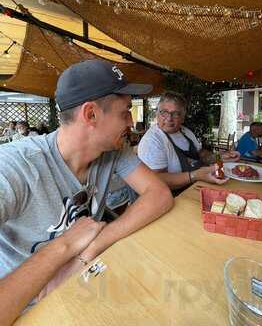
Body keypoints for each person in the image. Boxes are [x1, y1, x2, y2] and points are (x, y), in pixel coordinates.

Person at [0, 59, 173, 321]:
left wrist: (88, 251)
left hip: (83, 283)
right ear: (91, 114)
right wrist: (64, 246)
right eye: (125, 111)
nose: (131, 122)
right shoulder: (16, 167)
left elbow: (159, 195)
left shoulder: (113, 150)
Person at [138, 91, 240, 194]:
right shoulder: (152, 140)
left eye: (176, 114)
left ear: (183, 117)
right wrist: (194, 175)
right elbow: (156, 181)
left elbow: (202, 154)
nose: (169, 118)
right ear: (157, 114)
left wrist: (219, 157)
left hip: (197, 186)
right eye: (164, 112)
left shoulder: (185, 132)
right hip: (173, 198)